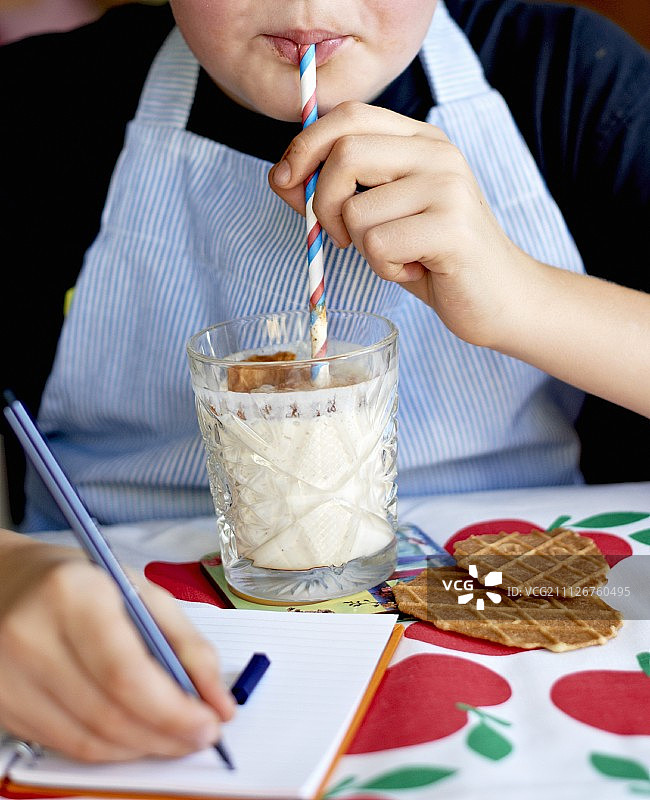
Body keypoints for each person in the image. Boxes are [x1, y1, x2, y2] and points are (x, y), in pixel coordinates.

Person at [0, 0, 648, 762]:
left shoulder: (565, 77)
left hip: (523, 627)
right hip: (130, 639)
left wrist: (524, 296)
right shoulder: (41, 109)